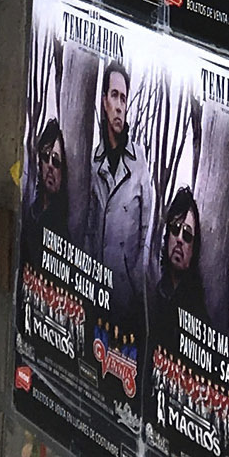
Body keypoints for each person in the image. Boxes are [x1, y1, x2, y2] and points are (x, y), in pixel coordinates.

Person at [86, 60, 156, 315]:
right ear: (104, 101)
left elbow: (146, 230)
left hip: (127, 297)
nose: (119, 106)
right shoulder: (93, 162)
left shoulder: (140, 163)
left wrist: (137, 282)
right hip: (95, 293)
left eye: (124, 99)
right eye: (114, 96)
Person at [147, 185, 209, 353]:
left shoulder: (198, 313)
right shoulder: (151, 297)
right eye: (175, 229)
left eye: (187, 234)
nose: (180, 239)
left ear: (194, 250)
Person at [21, 117, 73, 277]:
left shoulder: (62, 227)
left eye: (56, 161)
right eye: (45, 156)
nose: (50, 165)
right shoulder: (31, 213)